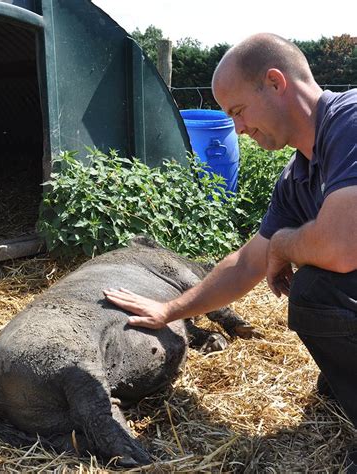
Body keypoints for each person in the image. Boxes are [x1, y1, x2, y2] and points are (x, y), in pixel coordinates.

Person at [103, 32, 357, 469]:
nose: (237, 127)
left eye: (238, 111)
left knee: (316, 289)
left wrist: (285, 243)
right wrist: (171, 310)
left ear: (276, 83)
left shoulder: (350, 120)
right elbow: (246, 263)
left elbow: (342, 246)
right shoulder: (297, 179)